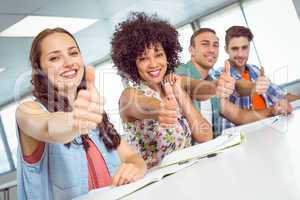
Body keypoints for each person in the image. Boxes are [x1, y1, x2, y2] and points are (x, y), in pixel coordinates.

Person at [16, 28, 146, 200]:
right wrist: (75, 120)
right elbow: (49, 127)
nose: (68, 62)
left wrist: (135, 167)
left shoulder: (93, 112)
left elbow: (130, 156)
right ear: (39, 69)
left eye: (73, 53)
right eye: (55, 58)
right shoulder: (27, 111)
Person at [111, 12, 236, 168]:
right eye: (143, 58)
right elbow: (142, 104)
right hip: (158, 184)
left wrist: (216, 86)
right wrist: (159, 108)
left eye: (158, 55)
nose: (153, 64)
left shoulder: (173, 82)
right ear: (131, 63)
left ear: (167, 56)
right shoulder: (129, 95)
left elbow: (205, 136)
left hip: (191, 172)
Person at [168, 28, 288, 136]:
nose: (211, 50)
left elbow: (240, 116)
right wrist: (215, 87)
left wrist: (273, 110)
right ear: (192, 50)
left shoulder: (212, 78)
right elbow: (193, 86)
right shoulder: (180, 71)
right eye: (205, 44)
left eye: (215, 45)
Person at [224, 26, 294, 118]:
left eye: (244, 48)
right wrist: (254, 86)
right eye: (235, 49)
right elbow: (237, 86)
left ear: (249, 47)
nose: (240, 54)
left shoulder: (255, 70)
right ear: (226, 50)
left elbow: (280, 96)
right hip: (244, 131)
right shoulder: (220, 74)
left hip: (270, 125)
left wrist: (282, 103)